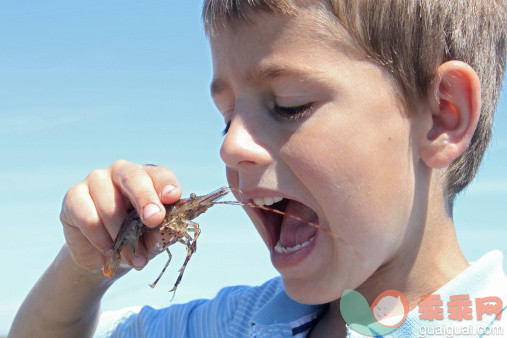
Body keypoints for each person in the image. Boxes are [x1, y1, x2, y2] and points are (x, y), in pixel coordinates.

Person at [9, 0, 507, 337]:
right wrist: (88, 264)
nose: (230, 146)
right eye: (226, 119)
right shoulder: (242, 321)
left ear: (444, 115)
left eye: (288, 105)